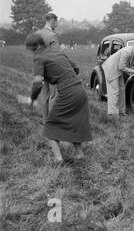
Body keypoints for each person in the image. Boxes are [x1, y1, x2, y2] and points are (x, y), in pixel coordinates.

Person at [25, 33, 92, 165]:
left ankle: (58, 160)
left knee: (50, 125)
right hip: (80, 90)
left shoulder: (39, 57)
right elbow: (76, 68)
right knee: (74, 123)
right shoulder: (56, 52)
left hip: (68, 92)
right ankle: (80, 155)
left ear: (34, 47)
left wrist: (32, 98)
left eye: (29, 48)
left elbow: (38, 83)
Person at [102, 44, 134, 117]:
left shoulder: (133, 52)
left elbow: (133, 61)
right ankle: (113, 114)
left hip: (118, 71)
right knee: (114, 91)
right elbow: (121, 67)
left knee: (122, 89)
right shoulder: (127, 52)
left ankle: (121, 112)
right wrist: (133, 71)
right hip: (111, 69)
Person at [35, 13, 59, 123]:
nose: (56, 25)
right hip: (51, 70)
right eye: (56, 22)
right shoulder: (52, 35)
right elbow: (56, 55)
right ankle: (52, 122)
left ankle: (45, 120)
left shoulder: (37, 34)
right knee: (53, 95)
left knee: (44, 95)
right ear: (52, 21)